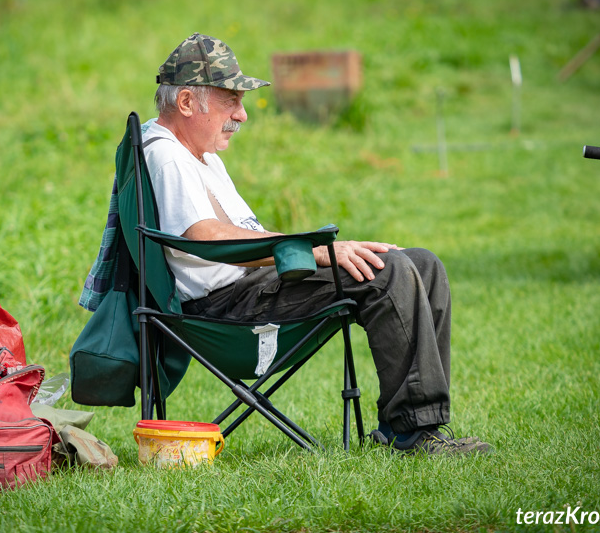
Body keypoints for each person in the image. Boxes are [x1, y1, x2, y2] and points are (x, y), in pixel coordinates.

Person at [140, 32, 490, 455]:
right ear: (187, 103)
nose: (242, 115)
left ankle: (413, 427)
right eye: (230, 100)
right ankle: (415, 435)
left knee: (423, 264)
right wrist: (314, 251)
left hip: (252, 284)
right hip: (227, 308)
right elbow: (205, 236)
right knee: (390, 272)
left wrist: (311, 252)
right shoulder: (166, 155)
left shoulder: (197, 152)